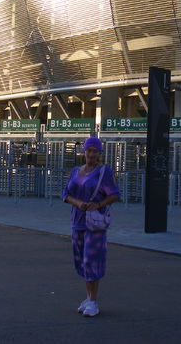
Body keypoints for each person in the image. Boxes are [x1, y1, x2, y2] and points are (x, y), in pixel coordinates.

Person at [62, 136, 120, 317]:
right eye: (89, 150)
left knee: (91, 261)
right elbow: (65, 194)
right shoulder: (75, 171)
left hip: (94, 224)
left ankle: (93, 301)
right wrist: (78, 202)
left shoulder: (105, 172)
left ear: (100, 153)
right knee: (80, 260)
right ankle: (88, 297)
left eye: (95, 151)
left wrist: (99, 204)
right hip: (77, 222)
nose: (91, 154)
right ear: (84, 152)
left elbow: (115, 194)